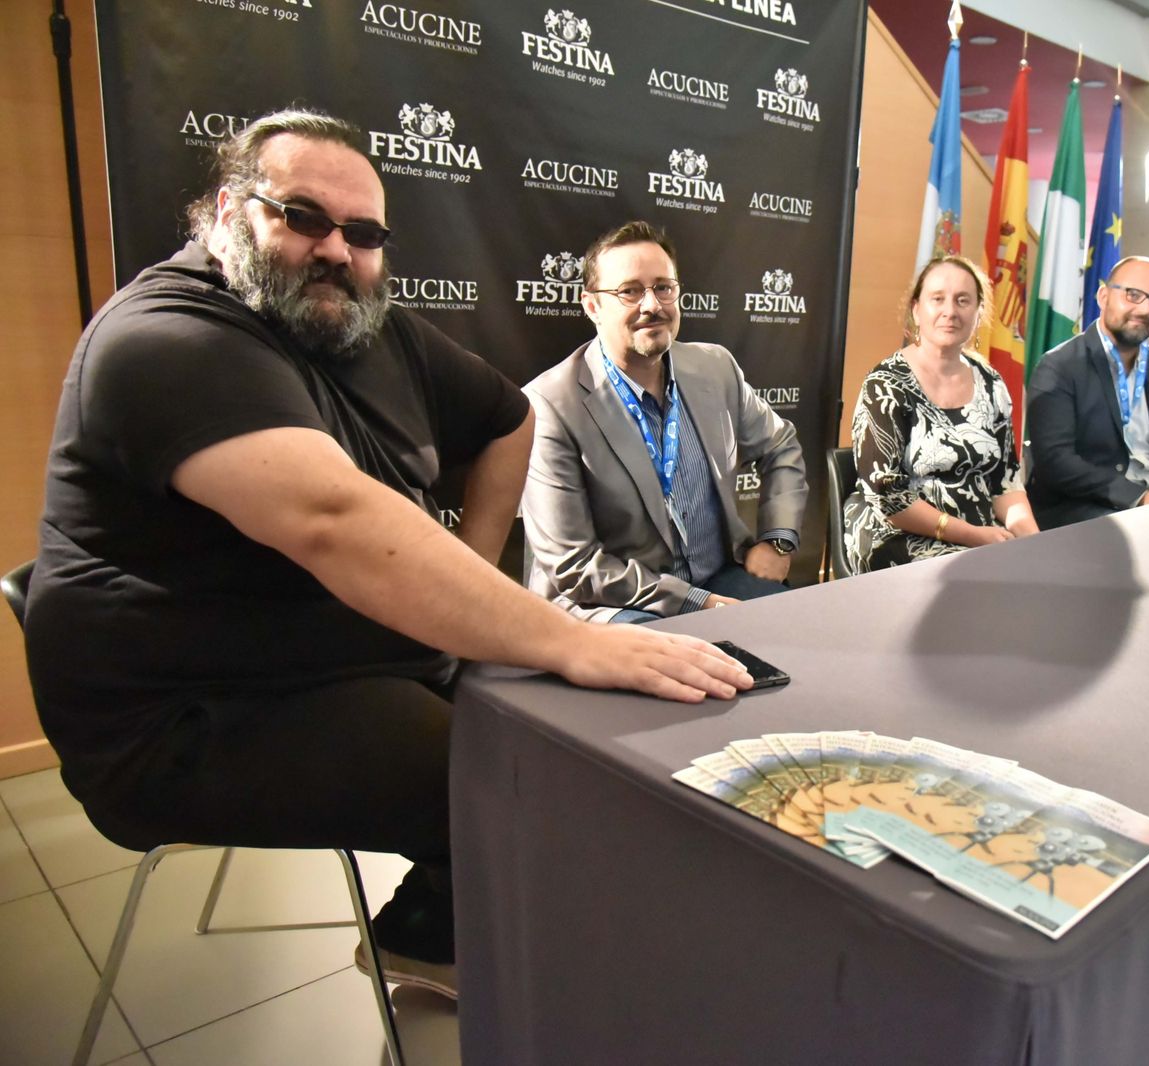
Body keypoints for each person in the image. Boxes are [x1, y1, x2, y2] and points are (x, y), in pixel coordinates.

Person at [23, 109, 750, 1000]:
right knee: (528, 775)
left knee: (566, 734)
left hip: (337, 659)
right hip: (190, 713)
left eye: (363, 233)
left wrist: (476, 593)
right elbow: (335, 518)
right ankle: (472, 948)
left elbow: (505, 421)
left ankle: (436, 919)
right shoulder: (163, 341)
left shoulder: (356, 320)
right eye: (301, 216)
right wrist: (574, 640)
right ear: (226, 210)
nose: (336, 249)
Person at [524, 220, 807, 622]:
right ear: (592, 306)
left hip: (720, 576)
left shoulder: (715, 367)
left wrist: (778, 541)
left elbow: (781, 447)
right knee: (679, 672)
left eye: (663, 287)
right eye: (630, 291)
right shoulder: (551, 405)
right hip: (613, 601)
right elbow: (575, 565)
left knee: (797, 632)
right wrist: (696, 602)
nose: (652, 305)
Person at [846, 254, 1038, 571]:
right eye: (938, 299)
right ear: (916, 310)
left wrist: (1032, 539)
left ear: (978, 314)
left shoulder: (992, 384)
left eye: (963, 300)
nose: (950, 311)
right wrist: (973, 536)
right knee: (987, 579)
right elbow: (889, 497)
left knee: (1038, 569)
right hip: (896, 534)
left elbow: (1005, 484)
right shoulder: (885, 385)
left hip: (983, 535)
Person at [1025, 256, 1149, 529]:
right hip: (1082, 509)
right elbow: (1057, 463)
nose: (1144, 309)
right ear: (1103, 296)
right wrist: (1140, 498)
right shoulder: (1060, 366)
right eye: (1133, 295)